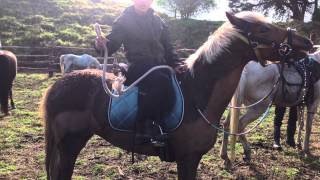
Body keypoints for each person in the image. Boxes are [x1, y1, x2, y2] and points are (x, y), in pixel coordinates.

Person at [95, 0, 187, 146]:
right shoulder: (124, 20)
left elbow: (168, 47)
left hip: (159, 65)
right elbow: (112, 43)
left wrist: (176, 64)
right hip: (137, 65)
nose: (144, 2)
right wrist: (102, 44)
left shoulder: (159, 21)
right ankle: (145, 126)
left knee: (183, 78)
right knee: (160, 81)